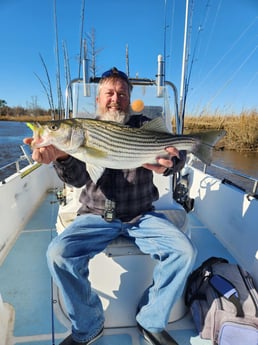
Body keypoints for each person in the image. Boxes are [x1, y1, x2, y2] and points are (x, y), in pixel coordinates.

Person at [24, 67, 196, 345]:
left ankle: (151, 321)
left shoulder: (143, 125)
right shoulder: (83, 132)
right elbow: (79, 179)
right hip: (95, 216)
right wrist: (62, 158)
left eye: (122, 93)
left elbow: (176, 153)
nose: (115, 98)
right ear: (98, 100)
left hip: (141, 215)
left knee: (184, 251)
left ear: (128, 98)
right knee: (58, 254)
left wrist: (172, 163)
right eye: (109, 93)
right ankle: (88, 325)